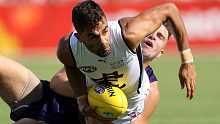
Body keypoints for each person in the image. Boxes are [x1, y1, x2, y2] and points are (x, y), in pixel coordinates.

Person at [56, 0, 196, 123]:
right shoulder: (67, 49)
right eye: (93, 37)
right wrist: (83, 102)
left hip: (129, 113)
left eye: (105, 31)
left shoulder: (127, 34)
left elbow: (170, 9)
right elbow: (64, 71)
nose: (103, 42)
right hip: (94, 109)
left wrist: (187, 61)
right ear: (79, 38)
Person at [50, 23, 172, 124]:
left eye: (160, 36)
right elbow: (56, 82)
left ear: (160, 53)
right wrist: (95, 95)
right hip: (55, 107)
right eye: (150, 32)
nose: (152, 36)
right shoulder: (106, 50)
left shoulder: (151, 90)